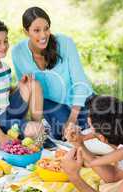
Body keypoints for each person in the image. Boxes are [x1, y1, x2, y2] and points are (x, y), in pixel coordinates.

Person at [12, 7, 93, 140]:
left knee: (106, 124)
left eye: (46, 28)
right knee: (66, 135)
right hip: (52, 105)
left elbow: (80, 82)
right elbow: (28, 87)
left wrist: (72, 119)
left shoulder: (65, 43)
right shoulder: (18, 52)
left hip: (82, 101)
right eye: (36, 30)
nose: (43, 35)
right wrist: (33, 125)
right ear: (26, 32)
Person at [0, 19, 44, 145]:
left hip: (7, 113)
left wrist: (20, 86)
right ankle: (35, 132)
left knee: (34, 84)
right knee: (37, 130)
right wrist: (1, 137)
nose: (4, 46)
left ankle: (35, 127)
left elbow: (2, 92)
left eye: (5, 41)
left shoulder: (4, 67)